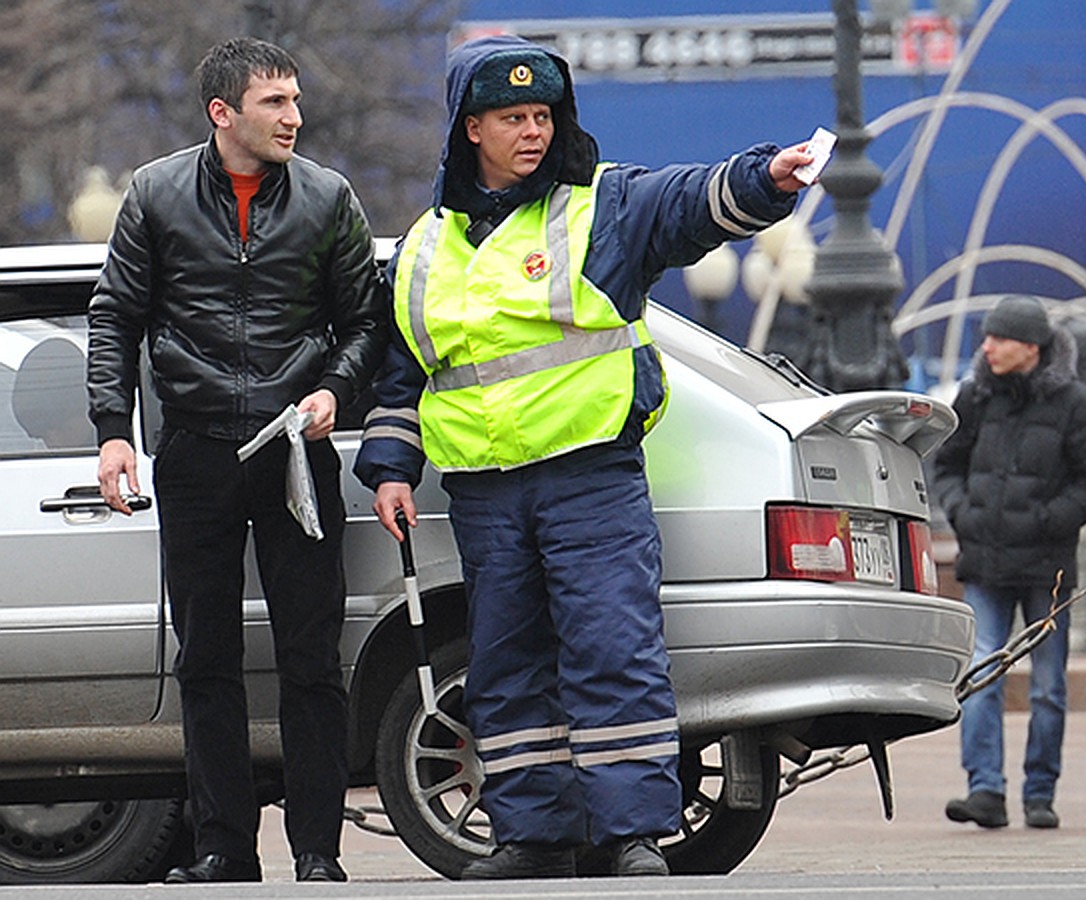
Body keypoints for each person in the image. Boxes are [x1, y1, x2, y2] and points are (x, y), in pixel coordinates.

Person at [353, 34, 818, 880]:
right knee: (506, 666)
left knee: (613, 651)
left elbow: (686, 202)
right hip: (485, 493)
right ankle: (532, 837)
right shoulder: (422, 247)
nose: (532, 131)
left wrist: (765, 177)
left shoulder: (596, 207)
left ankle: (631, 836)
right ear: (469, 129)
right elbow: (402, 372)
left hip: (589, 477)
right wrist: (390, 466)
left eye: (542, 115)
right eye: (511, 117)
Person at [86, 37, 387, 884]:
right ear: (223, 113)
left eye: (295, 100)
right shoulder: (155, 192)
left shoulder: (328, 197)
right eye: (274, 103)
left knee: (311, 654)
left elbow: (366, 321)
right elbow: (115, 318)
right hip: (194, 450)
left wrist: (335, 388)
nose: (295, 117)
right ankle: (223, 849)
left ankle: (319, 853)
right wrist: (116, 429)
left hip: (297, 451)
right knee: (207, 657)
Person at [933, 294, 1086, 831]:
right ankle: (985, 790)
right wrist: (961, 510)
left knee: (1047, 687)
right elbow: (945, 462)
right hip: (985, 559)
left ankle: (1041, 792)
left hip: (1047, 566)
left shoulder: (1078, 406)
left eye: (998, 338)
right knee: (983, 670)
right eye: (986, 337)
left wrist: (1048, 519)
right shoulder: (975, 396)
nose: (986, 347)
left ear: (1030, 347)